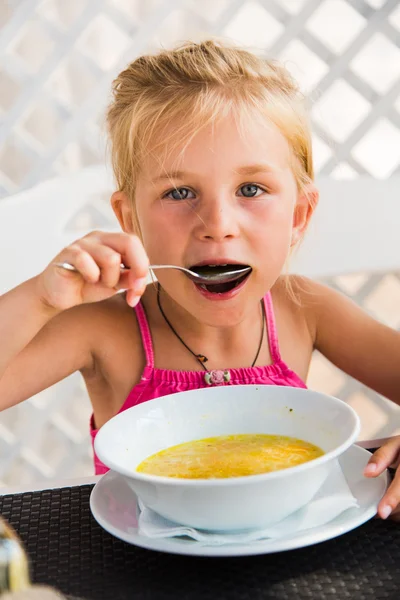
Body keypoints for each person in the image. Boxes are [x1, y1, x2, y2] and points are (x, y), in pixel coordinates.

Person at [0, 40, 399, 520]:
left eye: (251, 189)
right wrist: (42, 299)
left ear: (298, 214)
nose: (217, 223)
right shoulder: (105, 328)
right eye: (180, 191)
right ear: (131, 219)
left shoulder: (305, 310)